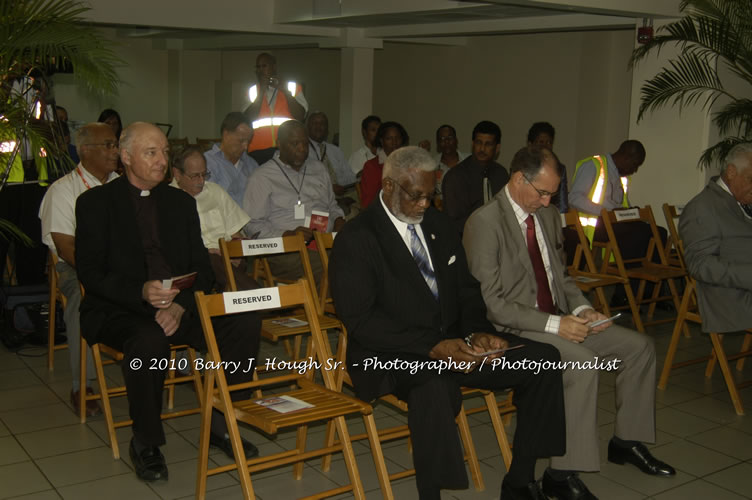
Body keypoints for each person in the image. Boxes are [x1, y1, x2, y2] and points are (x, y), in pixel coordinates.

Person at [330, 146, 566, 500]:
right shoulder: (358, 237)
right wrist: (432, 346)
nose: (425, 205)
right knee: (435, 387)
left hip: (455, 343)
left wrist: (479, 333)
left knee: (543, 359)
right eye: (416, 196)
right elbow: (361, 320)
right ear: (390, 186)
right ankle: (432, 494)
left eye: (431, 195)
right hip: (394, 351)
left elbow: (468, 292)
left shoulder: (438, 225)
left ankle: (520, 479)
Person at [464, 146, 675, 500]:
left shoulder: (545, 215)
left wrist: (582, 311)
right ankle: (561, 474)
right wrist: (554, 325)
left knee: (639, 347)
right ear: (518, 179)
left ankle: (627, 441)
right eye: (542, 192)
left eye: (552, 194)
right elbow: (493, 303)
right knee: (582, 363)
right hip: (510, 327)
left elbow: (561, 278)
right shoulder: (484, 223)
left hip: (556, 319)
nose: (548, 202)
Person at [75, 122, 261, 482]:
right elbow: (91, 274)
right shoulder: (96, 203)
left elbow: (202, 270)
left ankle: (222, 423)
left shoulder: (178, 202)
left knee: (245, 319)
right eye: (151, 153)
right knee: (149, 341)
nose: (162, 161)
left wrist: (180, 305)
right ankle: (145, 441)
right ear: (125, 158)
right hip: (121, 308)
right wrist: (142, 293)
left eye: (163, 152)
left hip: (181, 305)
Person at [38, 122, 120, 417]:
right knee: (83, 300)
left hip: (122, 265)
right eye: (108, 145)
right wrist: (100, 274)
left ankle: (177, 365)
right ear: (85, 150)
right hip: (77, 267)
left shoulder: (121, 186)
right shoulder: (63, 191)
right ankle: (81, 384)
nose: (115, 151)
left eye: (116, 145)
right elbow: (65, 248)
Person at [243, 120, 344, 283]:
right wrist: (286, 235)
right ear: (279, 144)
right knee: (337, 265)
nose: (302, 149)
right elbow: (252, 226)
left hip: (325, 242)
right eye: (295, 143)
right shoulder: (261, 177)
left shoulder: (318, 169)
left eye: (305, 143)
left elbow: (332, 205)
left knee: (363, 255)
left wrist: (339, 220)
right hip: (285, 251)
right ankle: (328, 305)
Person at [680, 142, 752, 333]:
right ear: (731, 172)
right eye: (751, 179)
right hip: (733, 296)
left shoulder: (741, 200)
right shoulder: (702, 208)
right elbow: (701, 265)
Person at [170, 146, 256, 291]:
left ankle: (247, 299)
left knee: (229, 266)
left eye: (204, 174)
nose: (201, 180)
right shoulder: (169, 200)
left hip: (228, 256)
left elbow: (236, 233)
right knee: (212, 261)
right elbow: (176, 248)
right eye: (195, 176)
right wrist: (209, 251)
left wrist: (236, 251)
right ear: (177, 173)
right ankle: (258, 297)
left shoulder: (215, 191)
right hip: (199, 260)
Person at [442, 120, 509, 233]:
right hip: (465, 241)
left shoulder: (501, 174)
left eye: (488, 144)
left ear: (497, 148)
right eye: (478, 143)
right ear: (472, 144)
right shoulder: (455, 177)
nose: (482, 149)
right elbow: (453, 223)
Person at [243, 52, 308, 164]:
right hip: (258, 151)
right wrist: (261, 91)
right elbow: (247, 119)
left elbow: (300, 115)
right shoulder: (253, 91)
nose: (260, 70)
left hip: (286, 149)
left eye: (264, 66)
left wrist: (285, 92)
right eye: (258, 67)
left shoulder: (292, 87)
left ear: (274, 67)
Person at [306, 111, 358, 217]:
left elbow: (349, 177)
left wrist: (352, 181)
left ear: (327, 129)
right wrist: (330, 187)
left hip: (340, 197)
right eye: (315, 123)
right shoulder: (302, 150)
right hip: (315, 200)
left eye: (322, 123)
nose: (319, 126)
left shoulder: (335, 151)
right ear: (307, 127)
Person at [204, 111, 259, 207]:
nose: (246, 147)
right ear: (226, 135)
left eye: (248, 142)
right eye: (241, 141)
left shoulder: (252, 165)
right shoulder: (207, 163)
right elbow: (209, 203)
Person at [359, 121, 408, 208]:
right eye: (389, 138)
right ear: (381, 141)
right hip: (380, 213)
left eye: (398, 138)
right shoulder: (371, 166)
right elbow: (368, 202)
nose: (394, 142)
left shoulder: (409, 163)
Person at [527, 122, 568, 213]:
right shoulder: (523, 166)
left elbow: (562, 204)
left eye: (549, 142)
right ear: (530, 144)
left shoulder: (559, 169)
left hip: (550, 216)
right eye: (541, 142)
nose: (545, 146)